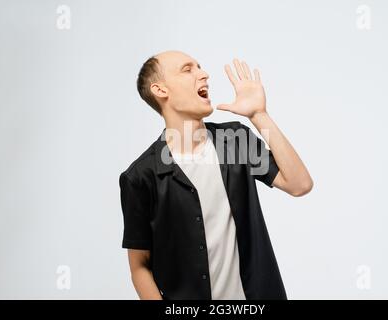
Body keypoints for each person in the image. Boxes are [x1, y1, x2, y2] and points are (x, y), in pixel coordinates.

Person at [119, 50, 313, 300]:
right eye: (187, 69)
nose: (204, 74)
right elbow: (139, 266)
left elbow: (299, 184)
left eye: (199, 67)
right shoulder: (141, 176)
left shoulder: (235, 141)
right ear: (160, 90)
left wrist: (259, 116)